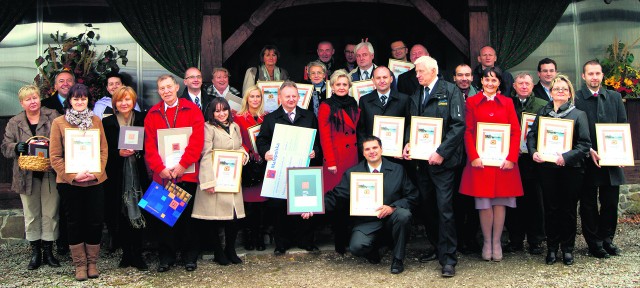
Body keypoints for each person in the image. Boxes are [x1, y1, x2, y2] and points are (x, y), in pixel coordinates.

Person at [302, 136, 418, 274]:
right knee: (356, 247)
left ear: (381, 149)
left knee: (404, 214)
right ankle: (375, 251)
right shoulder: (353, 173)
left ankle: (398, 259)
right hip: (366, 222)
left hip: (391, 218)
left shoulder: (398, 169)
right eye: (367, 149)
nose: (372, 152)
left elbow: (413, 196)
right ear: (363, 153)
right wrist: (313, 206)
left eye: (375, 148)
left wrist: (392, 207)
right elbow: (336, 196)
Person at [402, 56, 465, 277]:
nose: (416, 75)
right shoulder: (416, 95)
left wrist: (441, 153)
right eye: (416, 71)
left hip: (443, 164)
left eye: (420, 71)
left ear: (433, 70)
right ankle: (437, 247)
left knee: (444, 208)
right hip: (421, 163)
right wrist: (409, 143)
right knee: (428, 207)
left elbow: (458, 126)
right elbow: (412, 123)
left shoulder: (450, 91)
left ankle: (448, 259)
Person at [459, 67, 523, 262]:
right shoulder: (471, 102)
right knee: (484, 203)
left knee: (500, 202)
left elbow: (515, 132)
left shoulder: (507, 102)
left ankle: (497, 242)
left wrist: (512, 158)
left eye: (494, 80)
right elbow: (468, 131)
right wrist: (474, 156)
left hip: (503, 162)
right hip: (481, 163)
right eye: (487, 80)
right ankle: (487, 241)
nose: (490, 83)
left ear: (499, 83)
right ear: (481, 82)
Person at [527, 75, 591, 265]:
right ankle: (552, 248)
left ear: (570, 93)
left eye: (564, 89)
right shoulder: (543, 113)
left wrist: (566, 157)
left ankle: (568, 248)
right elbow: (532, 136)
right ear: (551, 92)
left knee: (568, 209)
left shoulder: (578, 114)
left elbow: (585, 144)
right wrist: (534, 152)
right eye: (556, 89)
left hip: (571, 170)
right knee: (551, 208)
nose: (560, 92)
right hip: (547, 169)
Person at [144, 75, 205, 272]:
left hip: (185, 173)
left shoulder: (191, 109)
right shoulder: (152, 114)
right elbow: (149, 146)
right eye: (162, 88)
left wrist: (183, 165)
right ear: (159, 91)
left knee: (187, 218)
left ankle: (189, 256)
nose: (166, 91)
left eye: (169, 87)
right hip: (163, 175)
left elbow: (197, 141)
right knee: (165, 218)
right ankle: (166, 257)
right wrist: (160, 168)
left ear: (177, 87)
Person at [49, 83, 108, 281]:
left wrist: (96, 174)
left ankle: (92, 263)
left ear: (87, 100)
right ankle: (80, 265)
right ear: (70, 101)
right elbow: (55, 156)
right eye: (76, 98)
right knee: (74, 222)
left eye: (83, 98)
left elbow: (103, 151)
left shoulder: (96, 120)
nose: (80, 102)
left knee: (94, 221)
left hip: (94, 181)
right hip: (70, 183)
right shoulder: (59, 122)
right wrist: (72, 176)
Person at [256, 81, 320, 255]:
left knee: (304, 204)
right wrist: (265, 152)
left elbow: (317, 142)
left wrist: (315, 151)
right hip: (280, 170)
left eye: (294, 96)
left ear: (299, 97)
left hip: (303, 169)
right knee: (279, 207)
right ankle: (281, 244)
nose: (291, 99)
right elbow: (261, 140)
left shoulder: (309, 116)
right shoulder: (270, 118)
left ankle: (306, 241)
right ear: (280, 98)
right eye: (287, 96)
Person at [1, 85, 61, 270]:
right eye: (28, 99)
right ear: (22, 102)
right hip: (25, 174)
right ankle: (35, 252)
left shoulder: (53, 115)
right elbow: (5, 147)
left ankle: (49, 251)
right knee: (31, 214)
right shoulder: (14, 122)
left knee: (50, 213)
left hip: (49, 172)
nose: (32, 101)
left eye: (35, 97)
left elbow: (63, 138)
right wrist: (15, 147)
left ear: (39, 98)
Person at [575, 60, 627, 258]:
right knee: (588, 204)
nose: (594, 77)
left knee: (610, 202)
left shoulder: (614, 97)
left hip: (611, 160)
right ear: (583, 76)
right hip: (587, 160)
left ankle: (607, 239)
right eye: (590, 74)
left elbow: (622, 125)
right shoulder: (577, 98)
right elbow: (575, 130)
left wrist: (623, 152)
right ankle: (594, 243)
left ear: (602, 75)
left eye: (597, 73)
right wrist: (588, 149)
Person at [192, 97, 249, 267]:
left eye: (224, 110)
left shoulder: (234, 126)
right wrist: (208, 181)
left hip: (231, 178)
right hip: (214, 178)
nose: (222, 113)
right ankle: (218, 252)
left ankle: (230, 250)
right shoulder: (207, 128)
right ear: (212, 113)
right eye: (217, 111)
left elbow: (239, 146)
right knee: (213, 218)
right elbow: (206, 153)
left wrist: (243, 156)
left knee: (233, 217)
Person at [102, 86, 149, 271]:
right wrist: (118, 153)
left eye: (128, 99)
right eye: (120, 100)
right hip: (117, 176)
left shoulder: (142, 119)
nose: (124, 103)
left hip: (139, 174)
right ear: (115, 103)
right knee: (120, 213)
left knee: (140, 211)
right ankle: (126, 254)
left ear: (133, 101)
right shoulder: (108, 123)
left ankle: (138, 254)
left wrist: (140, 150)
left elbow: (151, 143)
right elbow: (103, 150)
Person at [317, 69, 360, 254]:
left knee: (352, 199)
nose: (341, 87)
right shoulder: (326, 106)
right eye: (338, 84)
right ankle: (339, 241)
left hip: (354, 158)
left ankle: (351, 237)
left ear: (349, 87)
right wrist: (330, 161)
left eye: (345, 84)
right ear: (332, 87)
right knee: (338, 201)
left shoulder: (354, 103)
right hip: (337, 160)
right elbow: (324, 136)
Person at [504, 73, 547, 255]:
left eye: (527, 83)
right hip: (512, 161)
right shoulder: (507, 104)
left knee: (535, 202)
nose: (523, 86)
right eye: (520, 83)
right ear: (514, 85)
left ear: (532, 86)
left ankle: (535, 240)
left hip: (533, 162)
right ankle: (515, 239)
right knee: (513, 202)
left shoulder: (542, 105)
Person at [41, 71, 74, 255]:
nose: (65, 84)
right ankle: (60, 243)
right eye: (61, 81)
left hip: (79, 160)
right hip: (55, 162)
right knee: (56, 204)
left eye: (69, 80)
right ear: (55, 86)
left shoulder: (83, 103)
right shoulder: (45, 106)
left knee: (72, 203)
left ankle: (73, 242)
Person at [234, 86, 268, 251]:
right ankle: (249, 238)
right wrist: (249, 152)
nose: (255, 100)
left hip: (264, 164)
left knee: (262, 204)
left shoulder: (266, 117)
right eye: (252, 97)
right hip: (248, 164)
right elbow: (236, 140)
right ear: (246, 99)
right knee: (248, 204)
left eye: (258, 97)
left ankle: (260, 236)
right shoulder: (238, 118)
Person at [356, 66, 410, 150]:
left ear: (391, 79)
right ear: (373, 80)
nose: (382, 81)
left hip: (396, 153)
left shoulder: (404, 99)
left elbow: (409, 125)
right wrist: (364, 149)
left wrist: (405, 145)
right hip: (372, 152)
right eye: (378, 78)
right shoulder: (364, 100)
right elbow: (361, 129)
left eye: (385, 77)